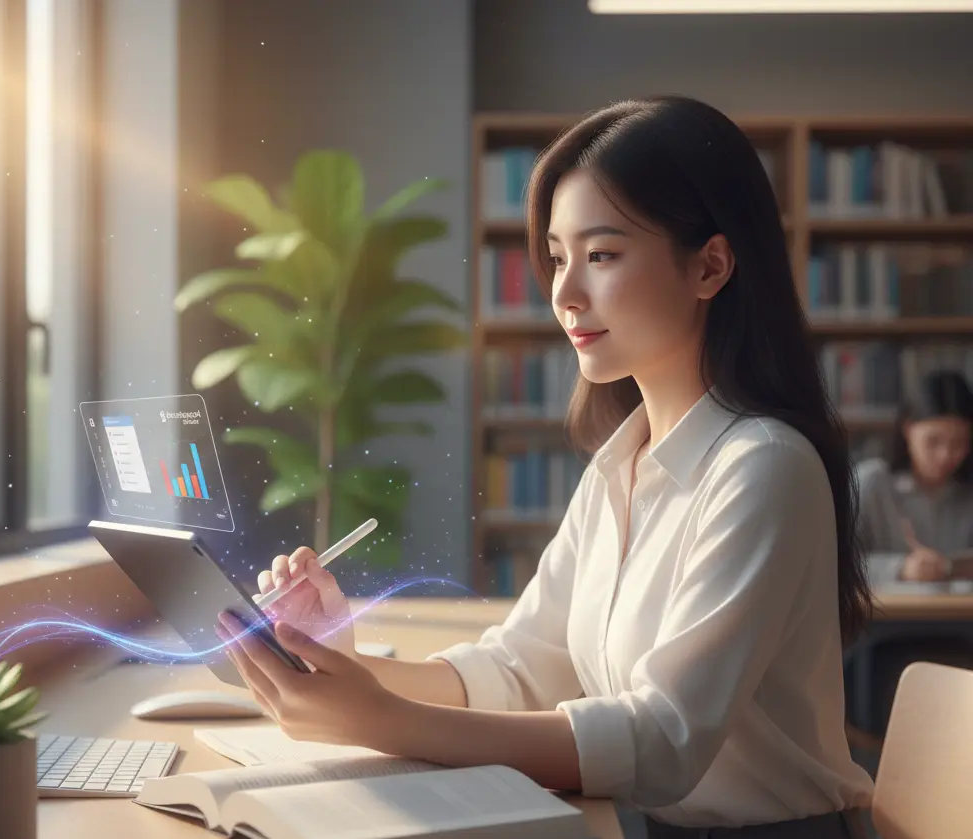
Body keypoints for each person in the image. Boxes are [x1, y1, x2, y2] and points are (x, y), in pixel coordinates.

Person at [215, 96, 875, 839]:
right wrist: (346, 660)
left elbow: (661, 742)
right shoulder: (618, 469)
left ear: (710, 266)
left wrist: (386, 719)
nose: (563, 294)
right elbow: (522, 669)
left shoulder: (764, 469)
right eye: (558, 257)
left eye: (601, 255)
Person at [851, 369, 973, 737]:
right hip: (885, 629)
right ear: (907, 429)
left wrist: (953, 565)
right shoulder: (872, 482)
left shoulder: (968, 489)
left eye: (959, 443)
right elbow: (836, 565)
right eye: (934, 441)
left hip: (961, 624)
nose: (947, 455)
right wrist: (902, 568)